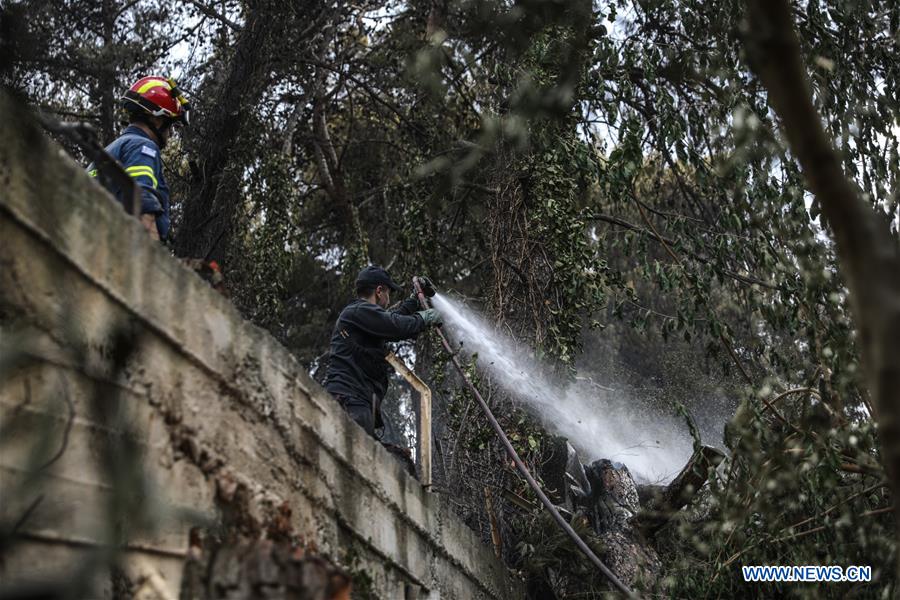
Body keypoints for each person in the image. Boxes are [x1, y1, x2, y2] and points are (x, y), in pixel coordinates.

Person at [325, 265, 441, 438]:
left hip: (354, 402)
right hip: (349, 402)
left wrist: (413, 302)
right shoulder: (358, 311)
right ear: (379, 291)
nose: (388, 299)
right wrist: (423, 319)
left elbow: (389, 321)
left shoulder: (362, 316)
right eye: (388, 293)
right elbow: (393, 324)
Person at [87, 76, 190, 241]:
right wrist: (151, 259)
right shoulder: (143, 146)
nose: (171, 133)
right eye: (170, 125)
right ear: (156, 119)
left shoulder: (109, 151)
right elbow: (141, 198)